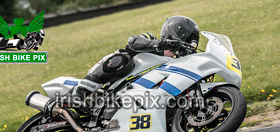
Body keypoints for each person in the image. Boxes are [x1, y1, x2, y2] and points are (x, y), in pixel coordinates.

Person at [63, 16, 200, 105]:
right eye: (190, 39)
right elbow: (133, 42)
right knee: (124, 57)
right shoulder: (151, 40)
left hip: (133, 98)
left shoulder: (176, 66)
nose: (191, 44)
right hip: (111, 80)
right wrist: (160, 44)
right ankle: (80, 92)